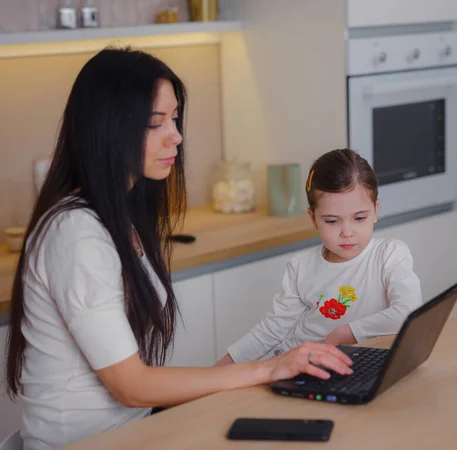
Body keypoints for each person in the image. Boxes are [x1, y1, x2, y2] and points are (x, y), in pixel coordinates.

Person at [3, 48, 353, 450]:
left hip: (138, 431)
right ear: (108, 129)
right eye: (156, 123)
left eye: (174, 118)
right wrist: (268, 368)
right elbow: (132, 387)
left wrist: (257, 368)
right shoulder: (75, 234)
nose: (177, 136)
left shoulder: (117, 216)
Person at [216, 148, 423, 365]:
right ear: (314, 219)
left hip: (359, 364)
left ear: (375, 211)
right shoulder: (301, 267)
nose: (347, 232)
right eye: (332, 221)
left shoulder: (390, 255)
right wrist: (218, 370)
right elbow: (271, 331)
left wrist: (343, 334)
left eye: (359, 218)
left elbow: (408, 312)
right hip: (298, 365)